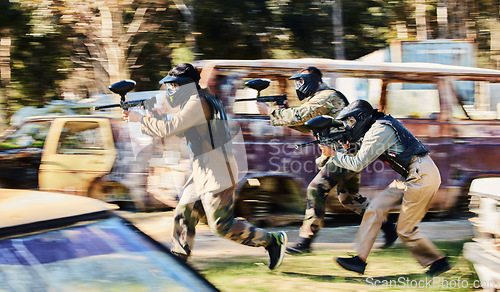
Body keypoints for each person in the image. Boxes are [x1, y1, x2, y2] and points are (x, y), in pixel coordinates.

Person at [122, 63, 287, 270]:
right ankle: (179, 259)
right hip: (203, 169)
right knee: (184, 211)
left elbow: (171, 128)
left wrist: (141, 119)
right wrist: (155, 117)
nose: (170, 91)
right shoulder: (200, 99)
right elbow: (181, 130)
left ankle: (272, 241)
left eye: (173, 86)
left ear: (185, 86)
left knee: (221, 226)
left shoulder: (198, 102)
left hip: (217, 171)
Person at [257, 66, 397, 255]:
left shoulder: (327, 96)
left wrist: (271, 112)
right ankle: (389, 228)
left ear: (314, 81)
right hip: (346, 152)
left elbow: (301, 115)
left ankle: (305, 242)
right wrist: (281, 112)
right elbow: (306, 126)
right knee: (350, 199)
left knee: (316, 189)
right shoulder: (319, 99)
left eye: (301, 81)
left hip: (343, 153)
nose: (299, 86)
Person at [328, 99, 451, 276]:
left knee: (405, 230)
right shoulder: (376, 126)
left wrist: (335, 155)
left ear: (361, 118)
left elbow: (358, 163)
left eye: (351, 121)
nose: (348, 126)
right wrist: (346, 148)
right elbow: (363, 151)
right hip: (412, 174)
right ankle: (359, 260)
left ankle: (439, 262)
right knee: (375, 209)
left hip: (422, 175)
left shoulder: (380, 129)